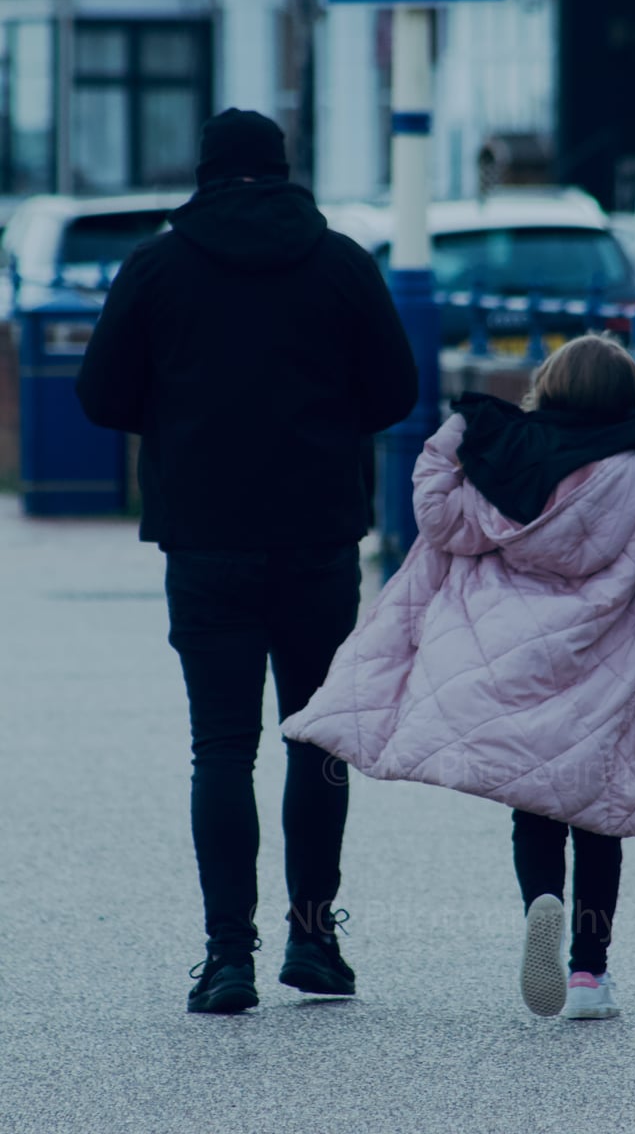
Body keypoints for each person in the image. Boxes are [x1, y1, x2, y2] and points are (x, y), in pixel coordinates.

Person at [282, 333, 635, 1021]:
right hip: (606, 671)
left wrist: (450, 437)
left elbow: (440, 522)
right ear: (627, 397)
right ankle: (589, 977)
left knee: (536, 801)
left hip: (516, 668)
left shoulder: (504, 459)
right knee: (598, 818)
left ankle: (540, 909)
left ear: (547, 387)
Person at [75, 107, 418, 1014]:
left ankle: (228, 957)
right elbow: (397, 390)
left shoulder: (158, 264)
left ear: (207, 171)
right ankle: (312, 938)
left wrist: (181, 410)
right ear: (282, 169)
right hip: (316, 539)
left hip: (205, 539)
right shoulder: (341, 262)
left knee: (221, 748)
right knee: (318, 741)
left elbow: (101, 393)